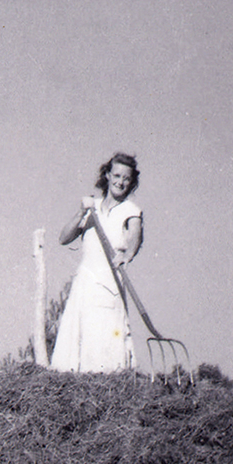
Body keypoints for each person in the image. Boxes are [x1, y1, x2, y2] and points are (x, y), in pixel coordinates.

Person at [50, 153, 143, 373]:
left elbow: (134, 240)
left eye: (126, 178)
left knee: (105, 337)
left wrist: (127, 256)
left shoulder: (132, 211)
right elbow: (63, 238)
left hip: (110, 284)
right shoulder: (92, 208)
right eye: (117, 175)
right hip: (86, 282)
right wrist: (82, 211)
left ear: (132, 182)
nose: (120, 182)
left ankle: (106, 386)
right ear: (108, 175)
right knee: (77, 340)